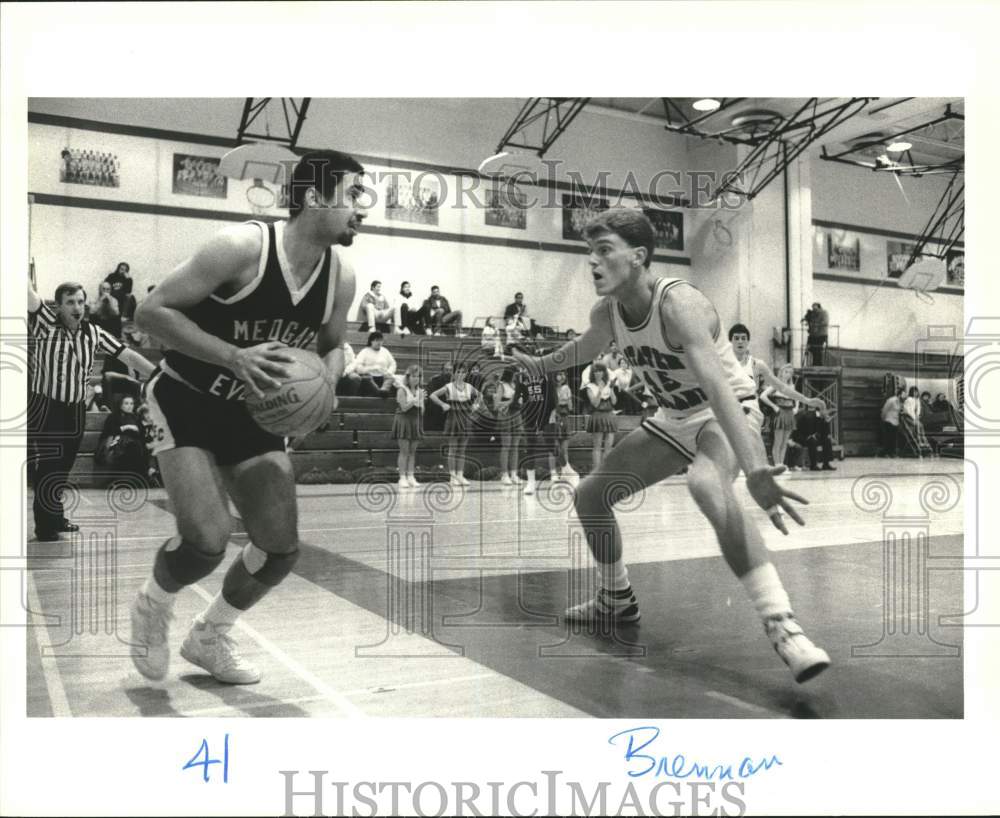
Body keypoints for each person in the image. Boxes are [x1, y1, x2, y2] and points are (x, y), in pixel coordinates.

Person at [512, 208, 829, 683]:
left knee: (705, 482)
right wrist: (542, 366)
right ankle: (615, 598)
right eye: (589, 253)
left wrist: (755, 465)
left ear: (638, 257)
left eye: (604, 251)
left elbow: (719, 389)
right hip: (675, 417)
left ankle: (783, 624)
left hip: (728, 409)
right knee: (591, 494)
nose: (592, 263)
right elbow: (583, 349)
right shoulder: (608, 313)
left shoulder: (679, 304)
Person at [129, 149, 365, 685]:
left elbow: (332, 345)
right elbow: (150, 313)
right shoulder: (241, 247)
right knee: (205, 543)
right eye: (353, 195)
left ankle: (209, 635)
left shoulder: (340, 277)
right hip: (186, 397)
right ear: (313, 197)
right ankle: (153, 604)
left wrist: (326, 381)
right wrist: (234, 356)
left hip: (255, 413)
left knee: (279, 550)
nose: (361, 210)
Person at [27, 281, 154, 541]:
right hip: (46, 407)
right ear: (59, 306)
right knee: (50, 466)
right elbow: (27, 292)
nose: (77, 307)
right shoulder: (44, 322)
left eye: (81, 301)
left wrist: (158, 374)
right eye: (70, 302)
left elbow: (127, 355)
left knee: (62, 467)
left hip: (75, 410)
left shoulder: (93, 332)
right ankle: (45, 526)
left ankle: (55, 515)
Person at [429, 363, 480, 485]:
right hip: (453, 418)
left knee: (462, 449)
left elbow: (480, 395)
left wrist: (476, 404)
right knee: (453, 449)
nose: (460, 375)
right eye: (458, 372)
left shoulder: (469, 387)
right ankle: (452, 477)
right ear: (454, 373)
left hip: (465, 417)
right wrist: (443, 404)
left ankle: (460, 475)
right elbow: (433, 395)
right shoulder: (449, 386)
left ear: (466, 374)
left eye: (463, 372)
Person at [514, 355, 557, 496]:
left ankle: (562, 472)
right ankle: (530, 483)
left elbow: (552, 397)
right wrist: (518, 402)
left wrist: (551, 414)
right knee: (529, 448)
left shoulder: (545, 375)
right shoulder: (520, 377)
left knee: (552, 444)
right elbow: (517, 397)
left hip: (545, 413)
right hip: (529, 415)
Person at [95, 394, 147, 478]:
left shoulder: (135, 417)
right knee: (130, 447)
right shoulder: (113, 416)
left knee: (136, 447)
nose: (129, 406)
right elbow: (108, 432)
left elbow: (142, 433)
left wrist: (137, 430)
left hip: (134, 446)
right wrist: (125, 427)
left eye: (131, 403)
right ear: (120, 405)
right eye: (126, 403)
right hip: (116, 446)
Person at [760, 363, 799, 469]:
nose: (788, 375)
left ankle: (782, 464)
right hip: (780, 413)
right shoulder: (776, 384)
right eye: (786, 372)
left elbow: (797, 398)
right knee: (778, 441)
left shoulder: (792, 386)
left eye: (790, 373)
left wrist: (796, 408)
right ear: (781, 372)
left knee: (785, 442)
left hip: (789, 413)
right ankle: (777, 464)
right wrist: (774, 406)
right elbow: (763, 396)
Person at [392, 365, 424, 488]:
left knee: (412, 452)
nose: (416, 379)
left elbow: (422, 411)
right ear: (408, 377)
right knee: (404, 451)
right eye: (413, 376)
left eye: (418, 376)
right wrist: (415, 399)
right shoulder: (402, 389)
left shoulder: (420, 391)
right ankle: (402, 478)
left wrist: (421, 404)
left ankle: (411, 476)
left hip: (415, 421)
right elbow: (404, 407)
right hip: (403, 420)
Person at [584, 361, 617, 471]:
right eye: (596, 371)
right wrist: (600, 390)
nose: (598, 373)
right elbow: (595, 403)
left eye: (600, 371)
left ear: (604, 372)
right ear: (593, 373)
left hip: (609, 415)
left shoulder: (608, 384)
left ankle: (606, 469)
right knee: (597, 446)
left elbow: (614, 401)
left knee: (609, 446)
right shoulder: (589, 387)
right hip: (597, 415)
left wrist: (611, 389)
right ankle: (596, 471)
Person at [343, 331, 397, 397]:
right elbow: (358, 367)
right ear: (371, 341)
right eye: (377, 340)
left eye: (381, 340)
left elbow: (393, 363)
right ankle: (378, 392)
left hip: (383, 375)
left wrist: (389, 372)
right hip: (370, 376)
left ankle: (383, 390)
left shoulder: (385, 351)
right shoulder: (365, 351)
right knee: (366, 379)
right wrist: (371, 368)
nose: (379, 343)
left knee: (391, 378)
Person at [494, 366, 524, 485]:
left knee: (515, 447)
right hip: (506, 415)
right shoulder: (501, 385)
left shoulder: (517, 386)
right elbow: (496, 405)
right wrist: (510, 402)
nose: (517, 375)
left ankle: (514, 474)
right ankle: (504, 474)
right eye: (515, 373)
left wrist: (520, 401)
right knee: (506, 446)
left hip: (516, 415)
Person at [549, 370, 579, 485]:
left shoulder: (567, 388)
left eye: (562, 374)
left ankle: (565, 473)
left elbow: (570, 407)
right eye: (558, 374)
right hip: (553, 417)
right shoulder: (550, 389)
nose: (560, 377)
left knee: (564, 448)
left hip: (564, 416)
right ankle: (553, 473)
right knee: (553, 448)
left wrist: (568, 398)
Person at [795, 404, 837, 471]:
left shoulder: (819, 416)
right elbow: (801, 429)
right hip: (803, 437)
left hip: (814, 437)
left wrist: (826, 422)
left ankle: (826, 464)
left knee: (827, 440)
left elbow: (823, 431)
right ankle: (813, 465)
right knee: (812, 441)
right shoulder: (804, 415)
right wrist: (809, 436)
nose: (826, 413)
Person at [879, 388, 905, 457]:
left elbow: (899, 411)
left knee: (894, 438)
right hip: (889, 420)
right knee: (888, 437)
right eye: (903, 394)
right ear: (899, 394)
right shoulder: (891, 400)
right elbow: (884, 409)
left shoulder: (900, 402)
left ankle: (892, 453)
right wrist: (883, 419)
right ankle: (886, 453)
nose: (905, 395)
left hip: (896, 421)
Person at [803, 302, 829, 366]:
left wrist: (814, 325)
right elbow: (809, 320)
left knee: (818, 349)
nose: (814, 309)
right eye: (813, 308)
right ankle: (815, 363)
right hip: (814, 335)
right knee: (812, 349)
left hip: (821, 334)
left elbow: (824, 322)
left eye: (815, 308)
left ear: (819, 307)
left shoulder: (823, 313)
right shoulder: (814, 314)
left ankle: (818, 364)